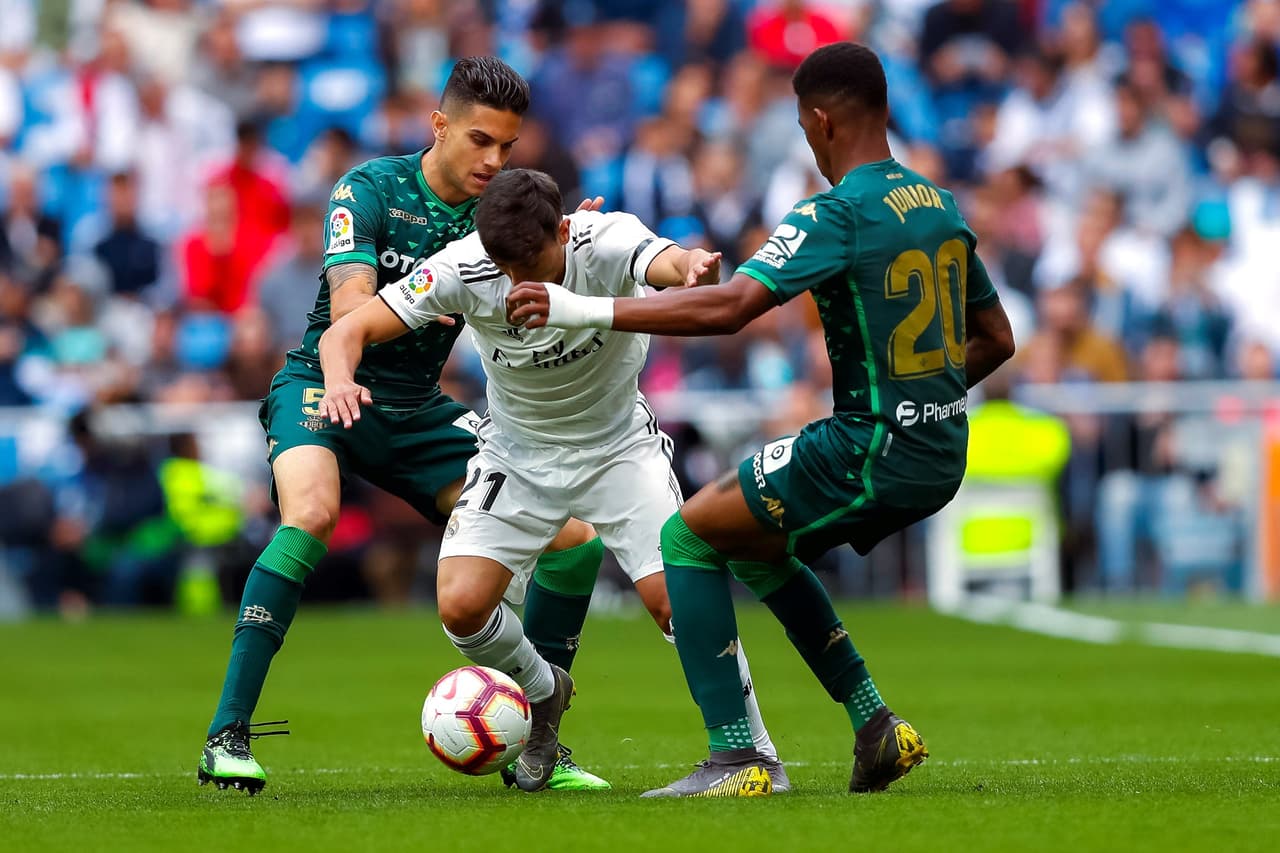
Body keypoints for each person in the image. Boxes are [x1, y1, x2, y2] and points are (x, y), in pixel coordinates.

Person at [506, 42, 1016, 797]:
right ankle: (876, 723)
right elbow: (998, 339)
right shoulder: (940, 204)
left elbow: (736, 305)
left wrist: (581, 307)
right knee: (747, 538)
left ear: (818, 120)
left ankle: (737, 756)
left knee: (686, 532)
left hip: (868, 445)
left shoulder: (836, 212)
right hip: (939, 447)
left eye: (802, 126)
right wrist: (927, 396)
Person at [198, 57, 607, 795]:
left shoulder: (499, 216)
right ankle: (227, 734)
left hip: (419, 409)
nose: (494, 161)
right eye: (481, 140)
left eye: (508, 149)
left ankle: (542, 744)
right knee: (312, 513)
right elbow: (351, 297)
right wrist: (348, 369)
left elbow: (555, 286)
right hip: (325, 384)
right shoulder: (367, 189)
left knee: (571, 540)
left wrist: (575, 255)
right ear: (439, 124)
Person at [317, 168, 786, 793]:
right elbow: (346, 329)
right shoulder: (464, 265)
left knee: (675, 600)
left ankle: (755, 755)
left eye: (529, 262)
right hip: (516, 456)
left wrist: (695, 265)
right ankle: (546, 692)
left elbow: (673, 265)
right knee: (460, 608)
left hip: (618, 448)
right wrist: (342, 379)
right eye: (504, 266)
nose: (516, 283)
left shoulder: (606, 238)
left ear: (563, 230)